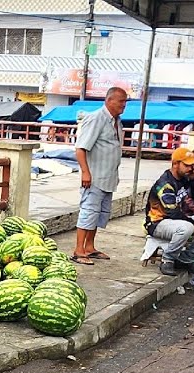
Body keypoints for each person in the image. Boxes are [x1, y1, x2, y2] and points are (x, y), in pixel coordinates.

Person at [72, 87, 128, 265]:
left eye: (125, 102)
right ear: (109, 100)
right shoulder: (96, 118)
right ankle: (78, 250)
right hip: (94, 177)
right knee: (88, 212)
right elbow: (81, 148)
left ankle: (90, 247)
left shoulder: (116, 121)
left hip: (108, 177)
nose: (124, 105)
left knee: (98, 214)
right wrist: (86, 172)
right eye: (121, 101)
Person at [145, 147, 194, 276]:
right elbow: (172, 212)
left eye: (193, 165)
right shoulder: (165, 184)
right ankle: (167, 259)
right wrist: (193, 223)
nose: (191, 168)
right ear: (175, 164)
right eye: (187, 165)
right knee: (186, 228)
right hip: (157, 223)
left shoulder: (184, 179)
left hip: (175, 220)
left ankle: (185, 259)